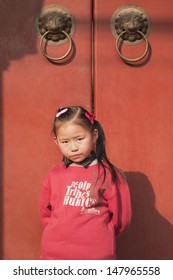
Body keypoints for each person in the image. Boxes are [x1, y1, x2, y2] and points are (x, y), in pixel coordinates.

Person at [39, 106, 131, 260]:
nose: (73, 148)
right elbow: (45, 213)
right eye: (65, 141)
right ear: (56, 141)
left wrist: (102, 233)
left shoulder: (109, 175)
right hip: (55, 256)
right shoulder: (53, 175)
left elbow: (122, 219)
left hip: (95, 257)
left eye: (79, 139)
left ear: (94, 135)